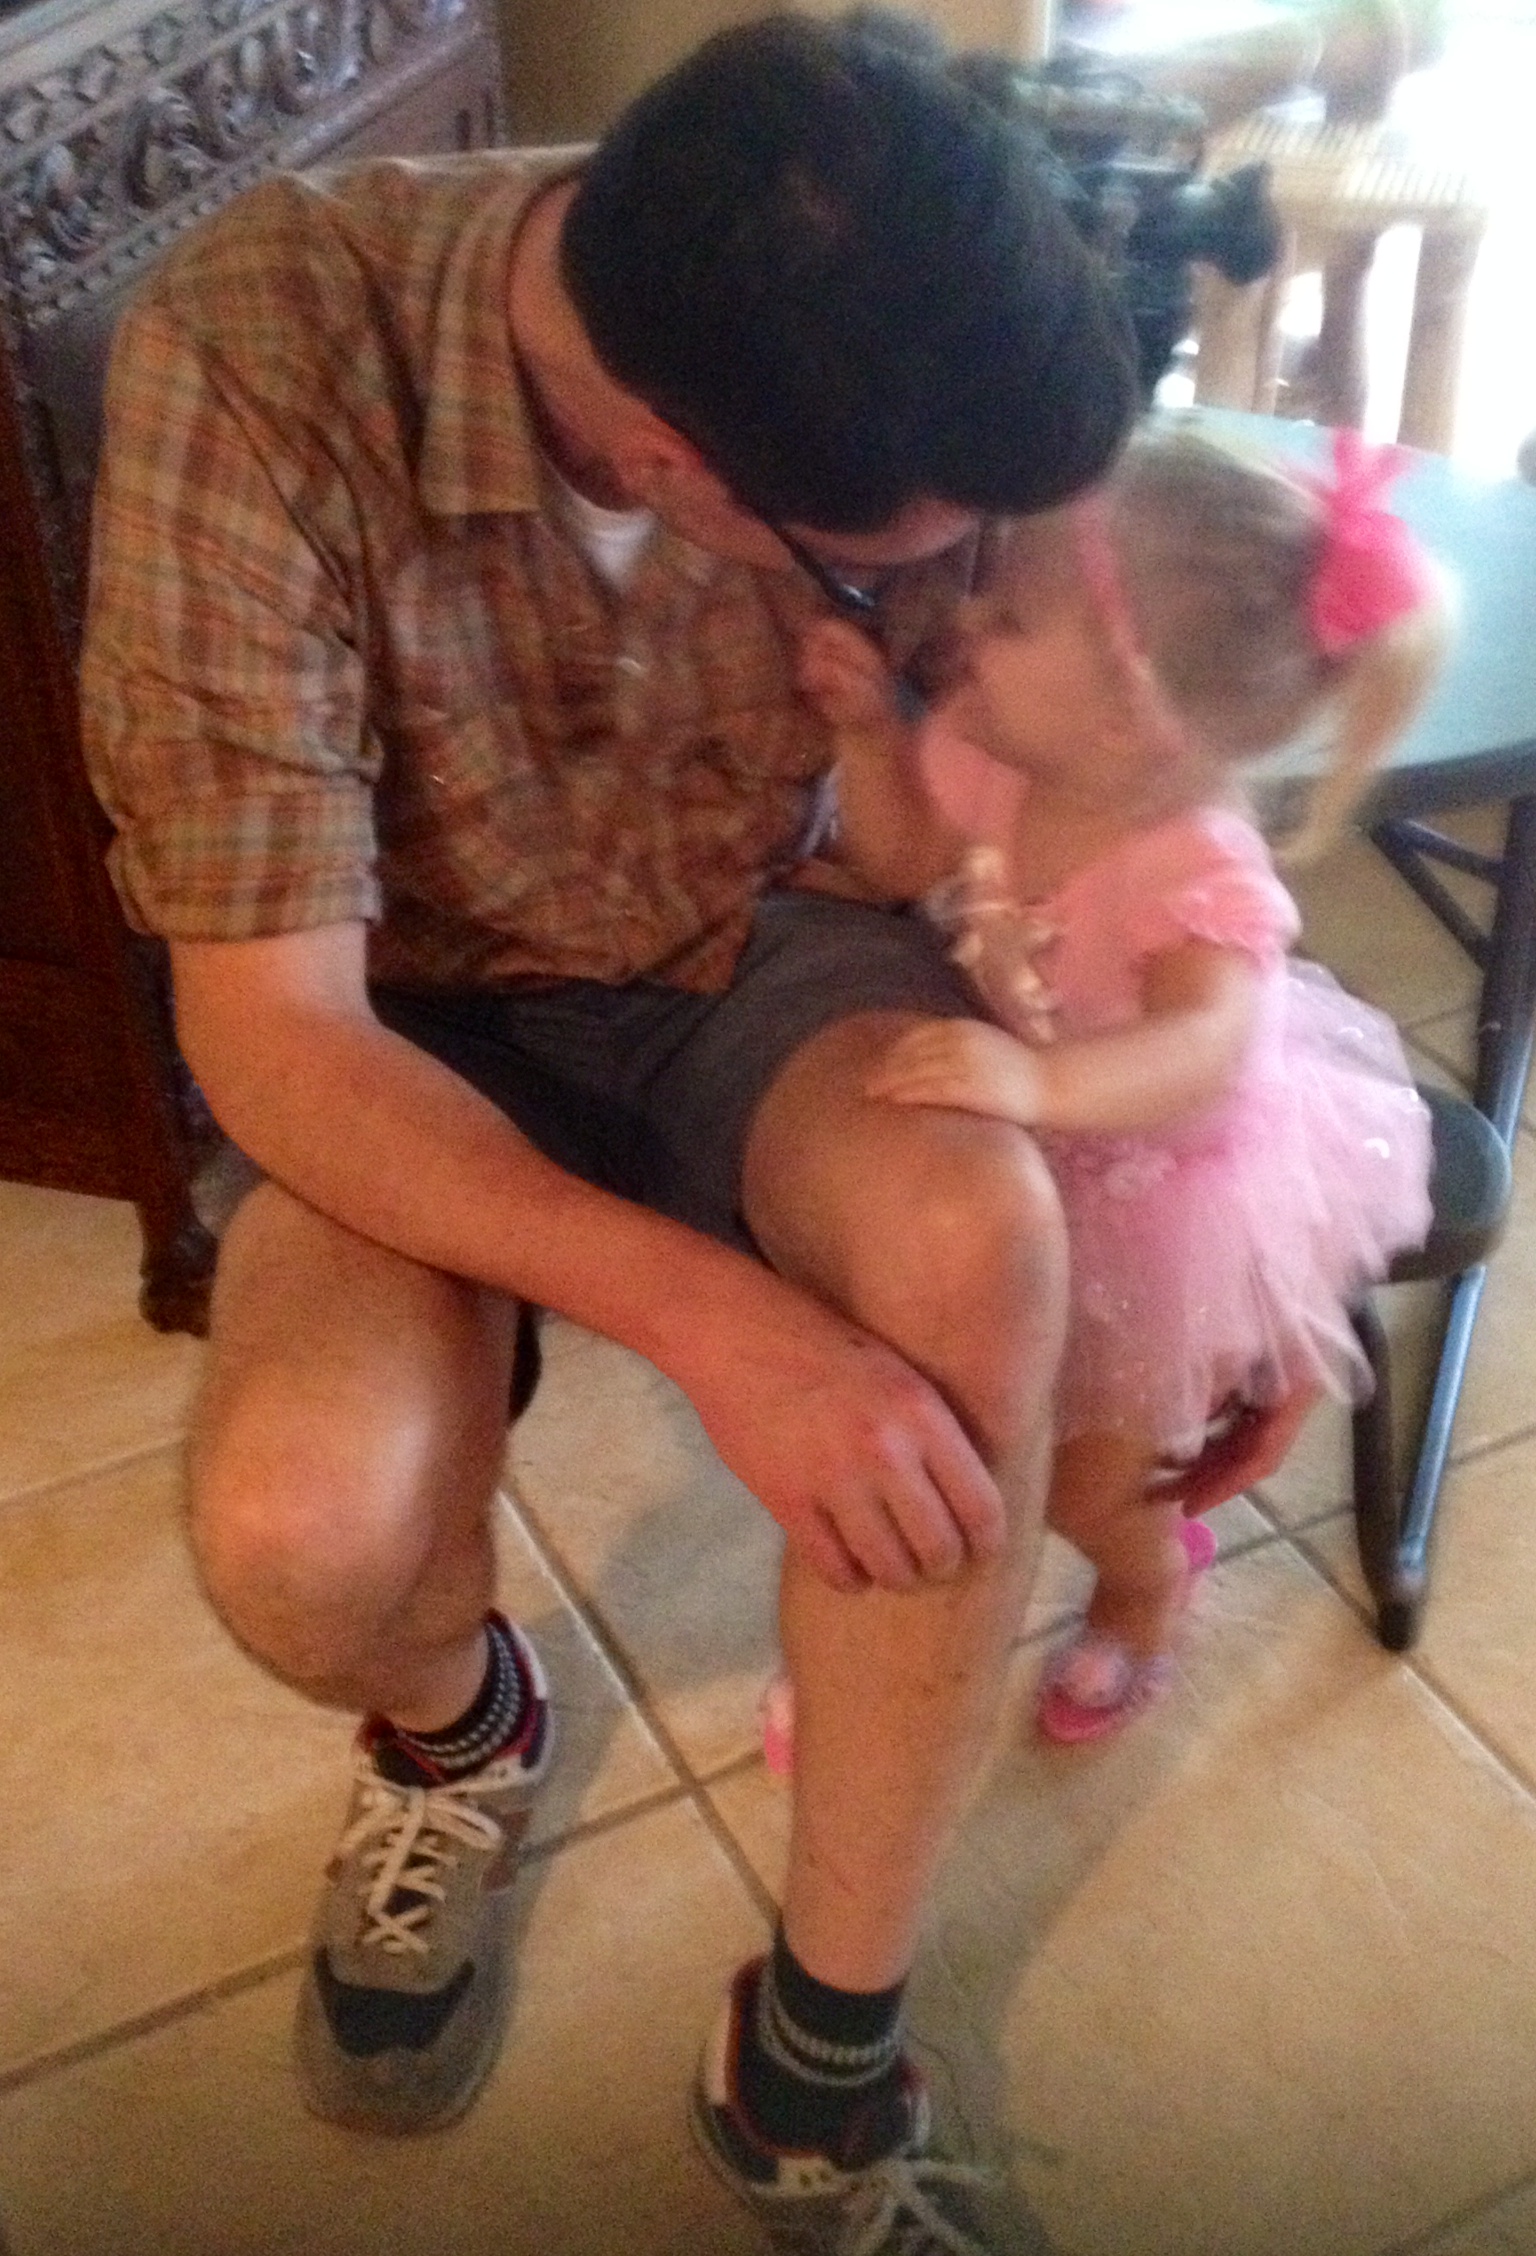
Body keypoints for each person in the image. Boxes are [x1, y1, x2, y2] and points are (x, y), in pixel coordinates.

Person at [81, 11, 1291, 2248]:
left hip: (768, 939)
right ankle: (462, 1730)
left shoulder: (910, 307)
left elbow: (1151, 792)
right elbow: (278, 1034)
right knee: (302, 1539)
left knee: (982, 1254)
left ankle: (818, 2063)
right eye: (887, 563)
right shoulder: (258, 353)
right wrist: (727, 1326)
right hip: (413, 1021)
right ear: (672, 468)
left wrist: (1232, 1255)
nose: (949, 583)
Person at [789, 420, 1447, 1748]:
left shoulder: (1198, 865)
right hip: (1019, 1143)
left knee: (1094, 1486)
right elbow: (904, 859)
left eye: (1011, 616)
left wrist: (1037, 1083)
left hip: (1157, 1197)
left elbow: (1203, 1056)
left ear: (1130, 711)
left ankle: (1147, 1585)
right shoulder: (995, 740)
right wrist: (865, 737)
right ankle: (887, 1649)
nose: (968, 622)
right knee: (960, 1424)